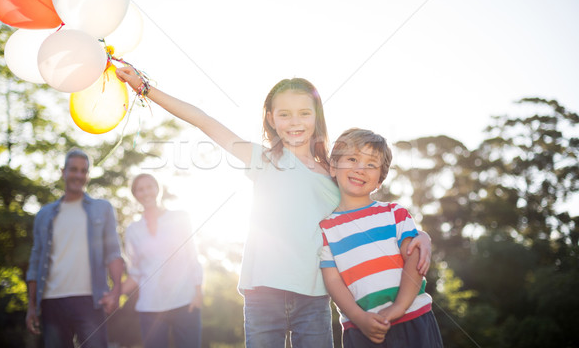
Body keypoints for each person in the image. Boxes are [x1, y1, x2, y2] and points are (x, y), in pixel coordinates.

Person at [116, 67, 431, 348]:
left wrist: (422, 236)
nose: (295, 122)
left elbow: (370, 213)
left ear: (316, 117)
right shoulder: (263, 160)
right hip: (262, 293)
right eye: (284, 114)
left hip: (315, 296)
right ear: (270, 118)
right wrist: (145, 88)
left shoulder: (336, 173)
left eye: (304, 113)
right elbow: (203, 120)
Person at [320, 128, 443, 347]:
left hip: (413, 318)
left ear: (380, 180)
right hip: (362, 329)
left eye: (371, 164)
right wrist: (359, 318)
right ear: (333, 166)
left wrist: (398, 307)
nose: (360, 169)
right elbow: (333, 281)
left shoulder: (395, 214)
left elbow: (413, 259)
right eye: (352, 159)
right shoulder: (325, 228)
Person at [25, 149, 124, 348]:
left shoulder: (102, 208)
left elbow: (113, 251)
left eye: (83, 171)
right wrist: (31, 307)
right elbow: (35, 262)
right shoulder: (44, 215)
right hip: (51, 301)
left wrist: (116, 290)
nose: (78, 175)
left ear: (87, 175)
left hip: (90, 299)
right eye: (73, 170)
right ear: (63, 172)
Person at [121, 173, 204, 348]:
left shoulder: (180, 217)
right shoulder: (133, 230)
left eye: (150, 187)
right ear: (135, 195)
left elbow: (192, 256)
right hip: (150, 308)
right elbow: (135, 272)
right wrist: (114, 294)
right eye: (140, 189)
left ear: (158, 189)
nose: (146, 192)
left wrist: (198, 292)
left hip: (185, 302)